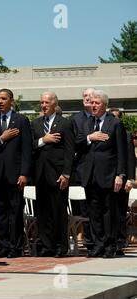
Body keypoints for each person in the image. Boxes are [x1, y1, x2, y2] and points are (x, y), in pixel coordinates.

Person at [76, 90, 127, 258]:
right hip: (89, 175)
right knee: (94, 212)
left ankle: (110, 245)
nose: (93, 105)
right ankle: (98, 244)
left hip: (108, 175)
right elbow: (78, 144)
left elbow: (121, 151)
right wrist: (90, 137)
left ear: (104, 105)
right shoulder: (87, 123)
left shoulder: (115, 123)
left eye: (97, 103)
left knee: (108, 212)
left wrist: (120, 175)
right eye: (92, 102)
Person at [0, 88, 32, 258]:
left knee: (16, 211)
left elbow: (27, 149)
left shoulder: (21, 120)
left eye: (4, 98)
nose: (0, 101)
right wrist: (2, 139)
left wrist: (24, 173)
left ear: (11, 100)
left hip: (16, 174)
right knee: (0, 213)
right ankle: (3, 246)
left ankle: (16, 247)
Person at [31, 92, 74, 257]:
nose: (43, 105)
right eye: (41, 102)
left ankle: (60, 246)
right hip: (40, 173)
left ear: (55, 104)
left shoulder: (65, 123)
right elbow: (31, 146)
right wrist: (44, 140)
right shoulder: (35, 124)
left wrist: (66, 174)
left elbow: (70, 151)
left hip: (57, 174)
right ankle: (46, 245)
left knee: (58, 211)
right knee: (42, 212)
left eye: (46, 102)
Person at [70, 87, 95, 250]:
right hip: (81, 168)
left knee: (96, 207)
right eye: (84, 96)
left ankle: (97, 240)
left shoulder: (103, 118)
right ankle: (86, 240)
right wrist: (88, 138)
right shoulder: (75, 119)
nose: (86, 98)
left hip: (100, 170)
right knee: (82, 207)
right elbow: (73, 142)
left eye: (89, 96)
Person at [110, 108, 135, 255]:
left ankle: (120, 240)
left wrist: (130, 179)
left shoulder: (126, 135)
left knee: (120, 211)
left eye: (115, 117)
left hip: (123, 180)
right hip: (108, 179)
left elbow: (130, 159)